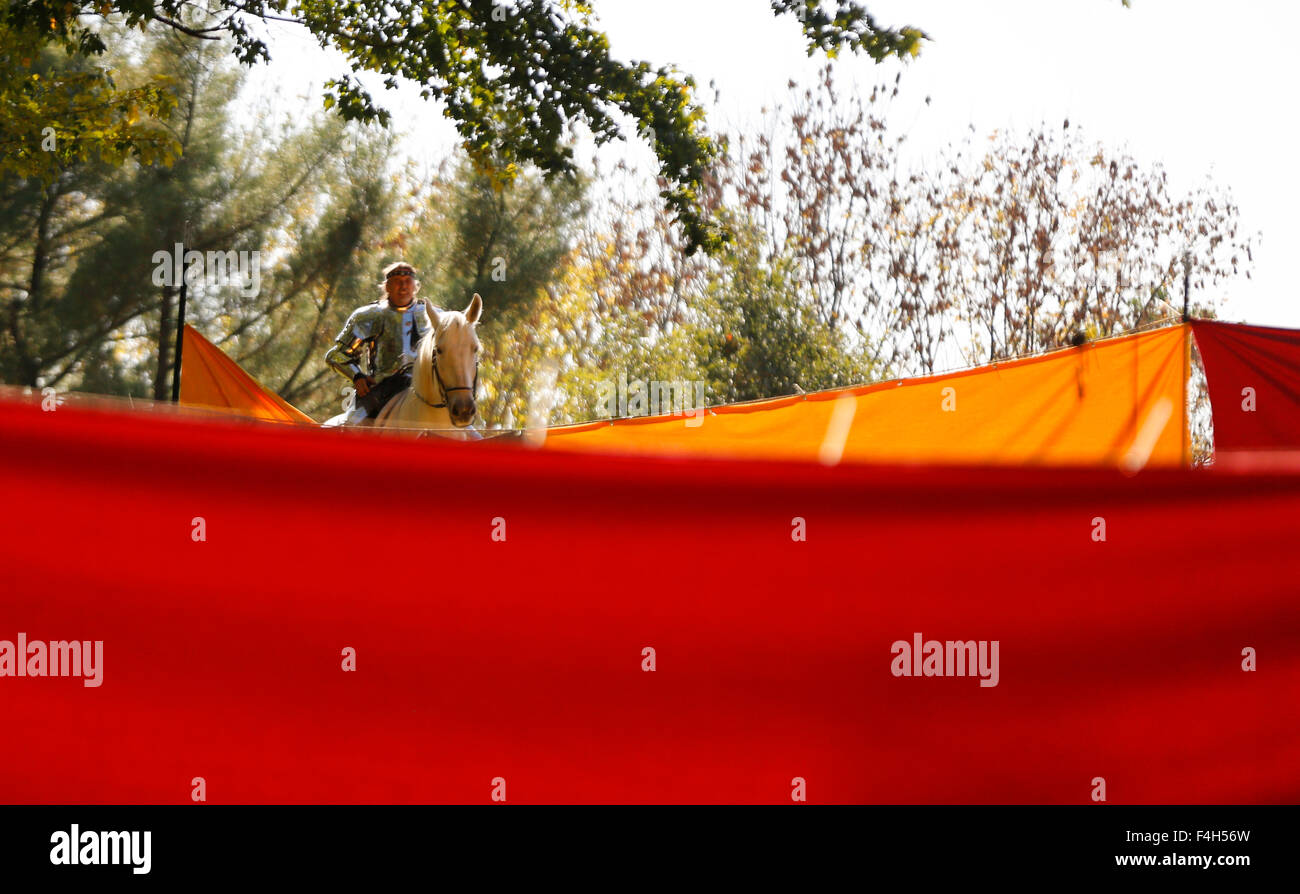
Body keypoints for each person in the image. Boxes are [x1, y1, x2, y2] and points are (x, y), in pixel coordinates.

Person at [325, 261, 436, 423]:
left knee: (463, 426)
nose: (403, 286)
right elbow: (335, 355)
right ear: (387, 287)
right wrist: (357, 376)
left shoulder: (433, 316)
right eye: (397, 282)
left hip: (426, 390)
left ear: (415, 286)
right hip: (380, 391)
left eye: (407, 282)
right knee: (350, 425)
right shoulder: (369, 316)